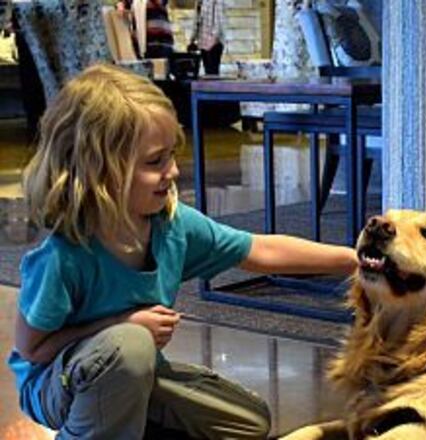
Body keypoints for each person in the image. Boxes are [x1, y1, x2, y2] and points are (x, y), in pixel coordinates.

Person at [8, 63, 358, 439]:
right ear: (101, 170)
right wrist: (119, 325)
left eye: (171, 155)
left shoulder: (172, 225)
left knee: (246, 421)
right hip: (56, 384)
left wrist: (353, 260)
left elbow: (260, 249)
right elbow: (34, 351)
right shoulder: (64, 256)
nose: (173, 171)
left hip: (131, 370)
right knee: (130, 346)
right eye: (155, 161)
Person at [190, 0, 225, 75]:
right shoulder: (200, 2)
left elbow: (219, 20)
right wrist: (193, 38)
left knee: (213, 72)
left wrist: (215, 37)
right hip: (203, 40)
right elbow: (197, 19)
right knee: (208, 71)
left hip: (214, 42)